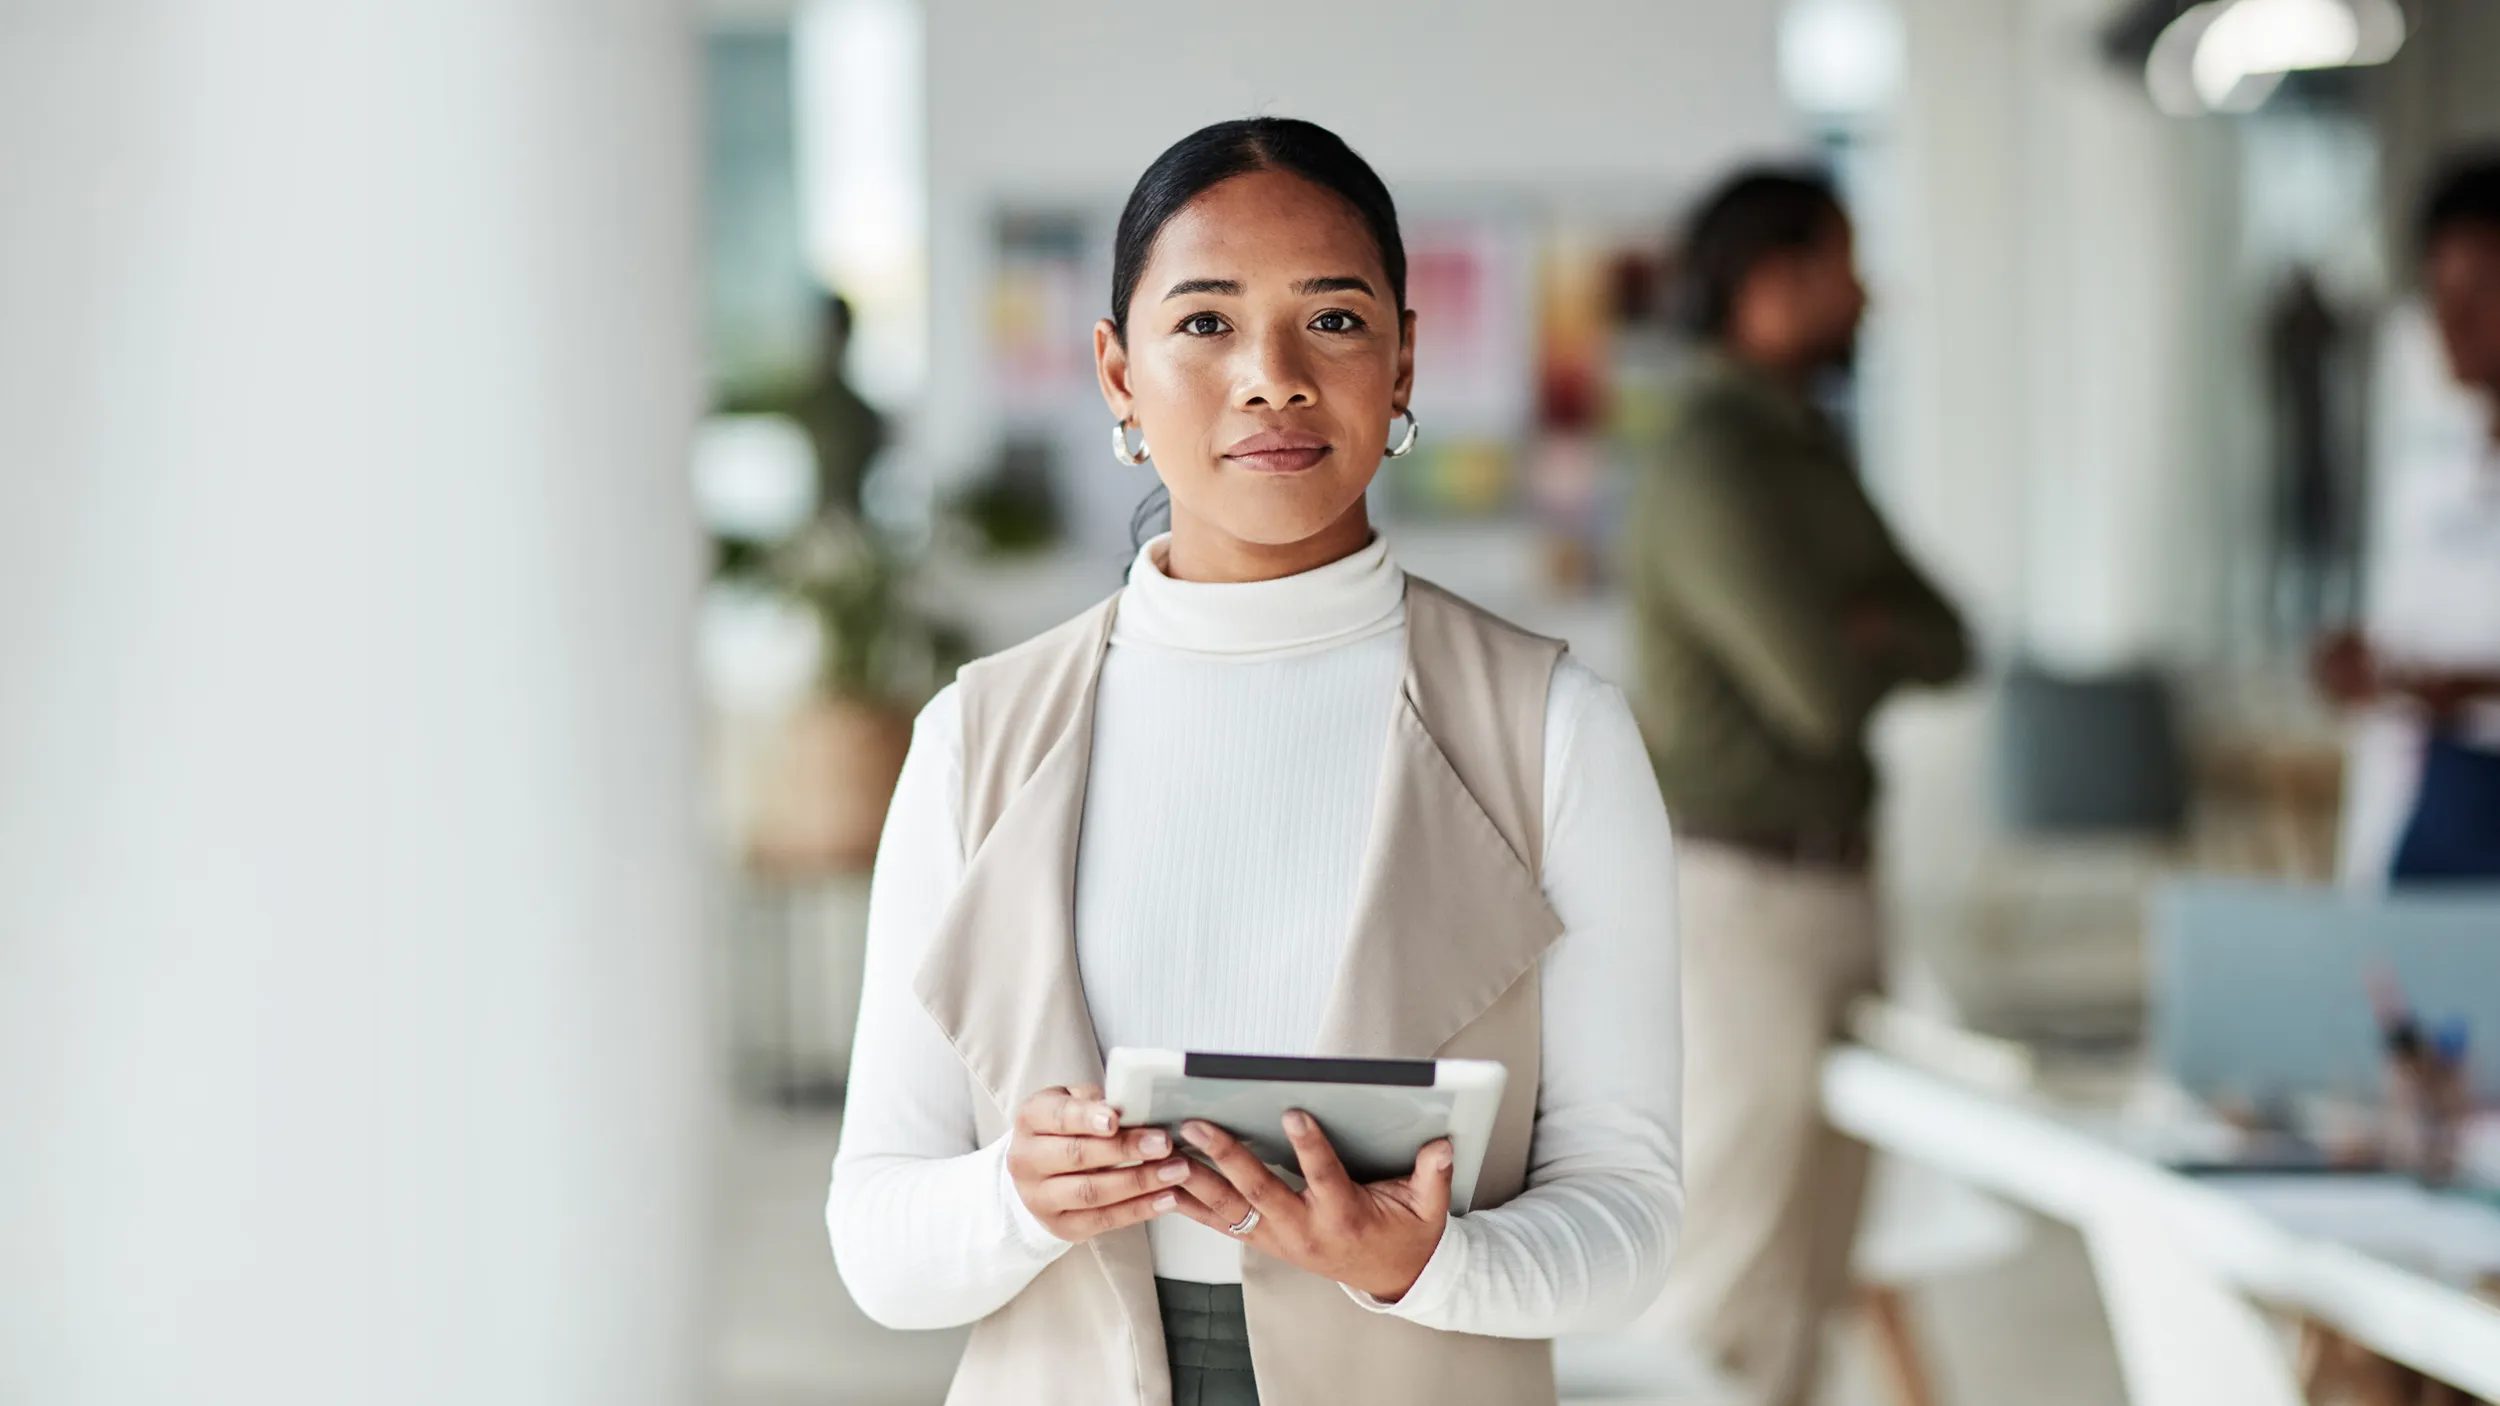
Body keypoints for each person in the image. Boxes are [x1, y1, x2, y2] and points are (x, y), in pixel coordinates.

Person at [826, 118, 1683, 1406]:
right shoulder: (975, 738)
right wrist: (1016, 1195)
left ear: (1404, 358)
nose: (1271, 378)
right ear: (1117, 371)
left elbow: (1630, 1218)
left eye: (1332, 320)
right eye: (1205, 322)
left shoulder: (1553, 729)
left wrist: (1429, 1262)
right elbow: (876, 1241)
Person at [1623, 169, 1970, 1406]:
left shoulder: (1804, 442)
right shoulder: (1713, 462)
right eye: (1842, 264)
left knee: (1817, 1266)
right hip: (1742, 897)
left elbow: (1949, 635)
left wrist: (1866, 626)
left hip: (1836, 883)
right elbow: (1821, 687)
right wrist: (1860, 626)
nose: (1865, 293)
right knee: (1736, 1270)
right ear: (1772, 284)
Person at [2318, 154, 2500, 884]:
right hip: (2430, 802)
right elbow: (2412, 639)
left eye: (2482, 288)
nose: (2454, 320)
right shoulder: (2433, 476)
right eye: (2439, 293)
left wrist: (2473, 691)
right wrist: (2367, 659)